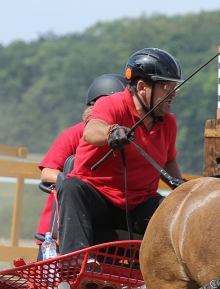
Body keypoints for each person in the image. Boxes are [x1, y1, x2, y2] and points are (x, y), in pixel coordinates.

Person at [56, 48, 184, 254]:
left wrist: (182, 187)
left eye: (174, 87)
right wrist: (112, 132)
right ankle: (74, 264)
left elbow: (168, 162)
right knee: (71, 186)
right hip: (98, 202)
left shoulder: (168, 122)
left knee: (176, 207)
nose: (174, 93)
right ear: (142, 86)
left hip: (139, 205)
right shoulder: (112, 104)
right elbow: (91, 130)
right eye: (165, 86)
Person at [34, 74, 128, 259]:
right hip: (60, 226)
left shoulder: (125, 138)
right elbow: (47, 173)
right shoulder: (74, 134)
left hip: (102, 223)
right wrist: (79, 185)